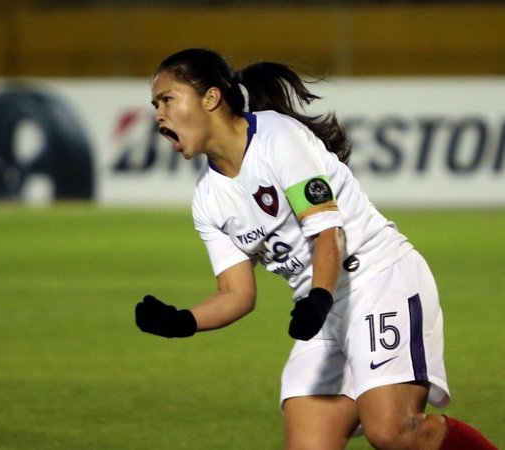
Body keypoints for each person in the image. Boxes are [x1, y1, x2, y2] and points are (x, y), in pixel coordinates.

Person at [134, 48, 497, 450]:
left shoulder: (277, 137)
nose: (158, 115)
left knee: (394, 432)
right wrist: (181, 321)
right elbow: (236, 294)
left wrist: (319, 298)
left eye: (166, 99)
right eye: (155, 105)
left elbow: (329, 234)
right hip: (322, 311)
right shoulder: (208, 199)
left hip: (377, 280)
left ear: (211, 98)